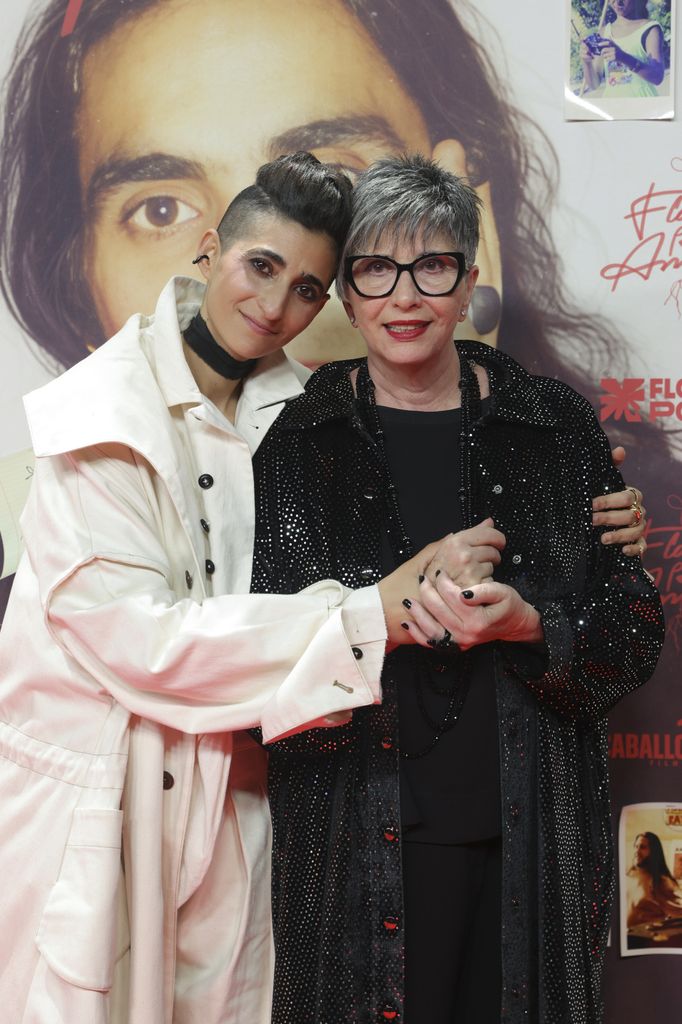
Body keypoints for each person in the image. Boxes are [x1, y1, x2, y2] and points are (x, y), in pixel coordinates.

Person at [0, 0, 655, 624]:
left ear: (458, 191)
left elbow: (598, 628)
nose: (268, 293)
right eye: (160, 207)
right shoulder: (86, 449)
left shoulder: (327, 419)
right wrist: (374, 618)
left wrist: (578, 509)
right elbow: (163, 649)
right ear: (75, 268)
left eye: (337, 169)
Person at [0, 152, 461, 1024]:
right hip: (98, 803)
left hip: (243, 798)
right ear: (211, 249)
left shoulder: (309, 422)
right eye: (261, 266)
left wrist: (594, 503)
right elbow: (140, 640)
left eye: (306, 289)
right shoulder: (101, 416)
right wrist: (364, 617)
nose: (275, 305)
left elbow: (422, 508)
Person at [251, 155, 666, 1024]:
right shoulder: (299, 443)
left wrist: (530, 625)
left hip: (534, 841)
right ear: (348, 294)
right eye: (376, 270)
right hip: (358, 847)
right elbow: (266, 661)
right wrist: (385, 617)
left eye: (432, 266)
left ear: (469, 282)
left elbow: (633, 631)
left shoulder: (552, 424)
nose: (405, 297)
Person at [581, 0, 666, 97]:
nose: (617, 2)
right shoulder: (604, 32)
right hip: (613, 106)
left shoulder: (649, 29)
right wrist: (586, 61)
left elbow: (657, 77)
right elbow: (594, 85)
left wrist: (623, 57)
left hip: (642, 104)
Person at [626, 832, 682, 929]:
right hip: (626, 938)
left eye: (642, 847)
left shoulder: (660, 881)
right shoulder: (629, 874)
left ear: (653, 852)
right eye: (636, 846)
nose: (637, 851)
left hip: (646, 940)